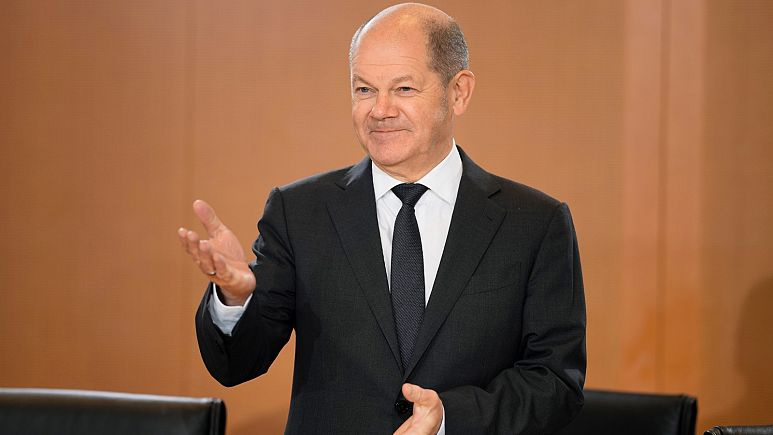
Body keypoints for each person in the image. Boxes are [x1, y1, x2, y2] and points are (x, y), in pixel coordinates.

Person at [178, 3, 586, 434]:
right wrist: (235, 300)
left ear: (458, 92)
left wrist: (449, 418)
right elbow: (237, 365)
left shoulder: (535, 224)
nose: (380, 110)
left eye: (404, 89)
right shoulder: (299, 213)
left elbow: (555, 382)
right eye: (364, 89)